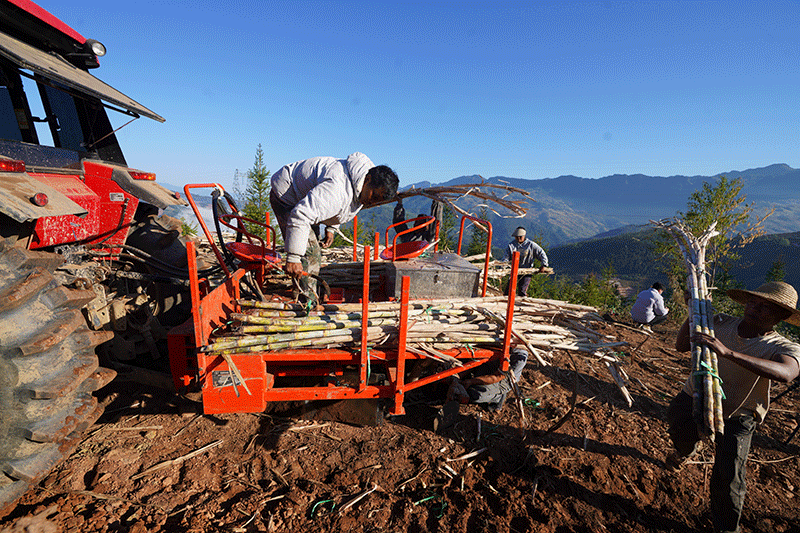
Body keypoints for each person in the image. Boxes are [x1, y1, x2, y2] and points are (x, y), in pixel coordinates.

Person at [668, 281, 800, 533]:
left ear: (782, 316)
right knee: (678, 429)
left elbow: (785, 373)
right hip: (694, 395)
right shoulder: (718, 322)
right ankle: (686, 451)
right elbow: (682, 346)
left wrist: (728, 353)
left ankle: (727, 529)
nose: (755, 309)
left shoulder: (783, 346)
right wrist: (691, 310)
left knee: (728, 479)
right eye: (754, 302)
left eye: (766, 308)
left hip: (738, 414)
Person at [270, 153, 398, 298]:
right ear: (367, 179)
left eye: (377, 201)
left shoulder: (362, 183)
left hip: (305, 200)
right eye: (374, 197)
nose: (372, 203)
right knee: (310, 253)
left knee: (311, 246)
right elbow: (301, 215)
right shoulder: (336, 189)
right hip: (286, 194)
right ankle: (306, 300)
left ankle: (303, 290)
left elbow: (342, 208)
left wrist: (331, 228)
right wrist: (293, 257)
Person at [446, 348, 528, 411]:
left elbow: (496, 377)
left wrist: (470, 381)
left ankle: (498, 398)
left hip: (503, 379)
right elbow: (475, 359)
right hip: (490, 365)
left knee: (475, 394)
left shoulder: (519, 357)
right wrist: (457, 375)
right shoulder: (495, 337)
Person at [504, 227, 548, 296]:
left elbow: (542, 254)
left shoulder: (531, 245)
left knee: (522, 292)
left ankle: (520, 304)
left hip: (527, 271)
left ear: (524, 236)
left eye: (520, 237)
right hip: (513, 270)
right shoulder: (511, 245)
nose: (518, 238)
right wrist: (503, 266)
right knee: (508, 291)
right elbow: (506, 257)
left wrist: (543, 265)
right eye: (517, 237)